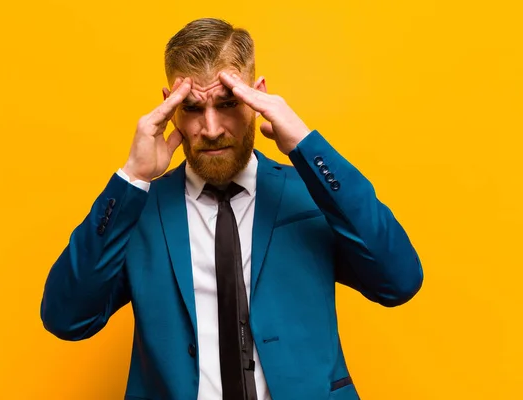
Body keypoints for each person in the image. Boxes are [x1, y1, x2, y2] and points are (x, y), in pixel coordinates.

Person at [40, 17, 423, 400]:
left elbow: (399, 280)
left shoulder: (311, 192)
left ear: (258, 97)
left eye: (228, 104)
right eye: (191, 108)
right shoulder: (139, 208)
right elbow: (67, 318)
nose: (211, 128)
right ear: (169, 108)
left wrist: (307, 147)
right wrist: (131, 178)